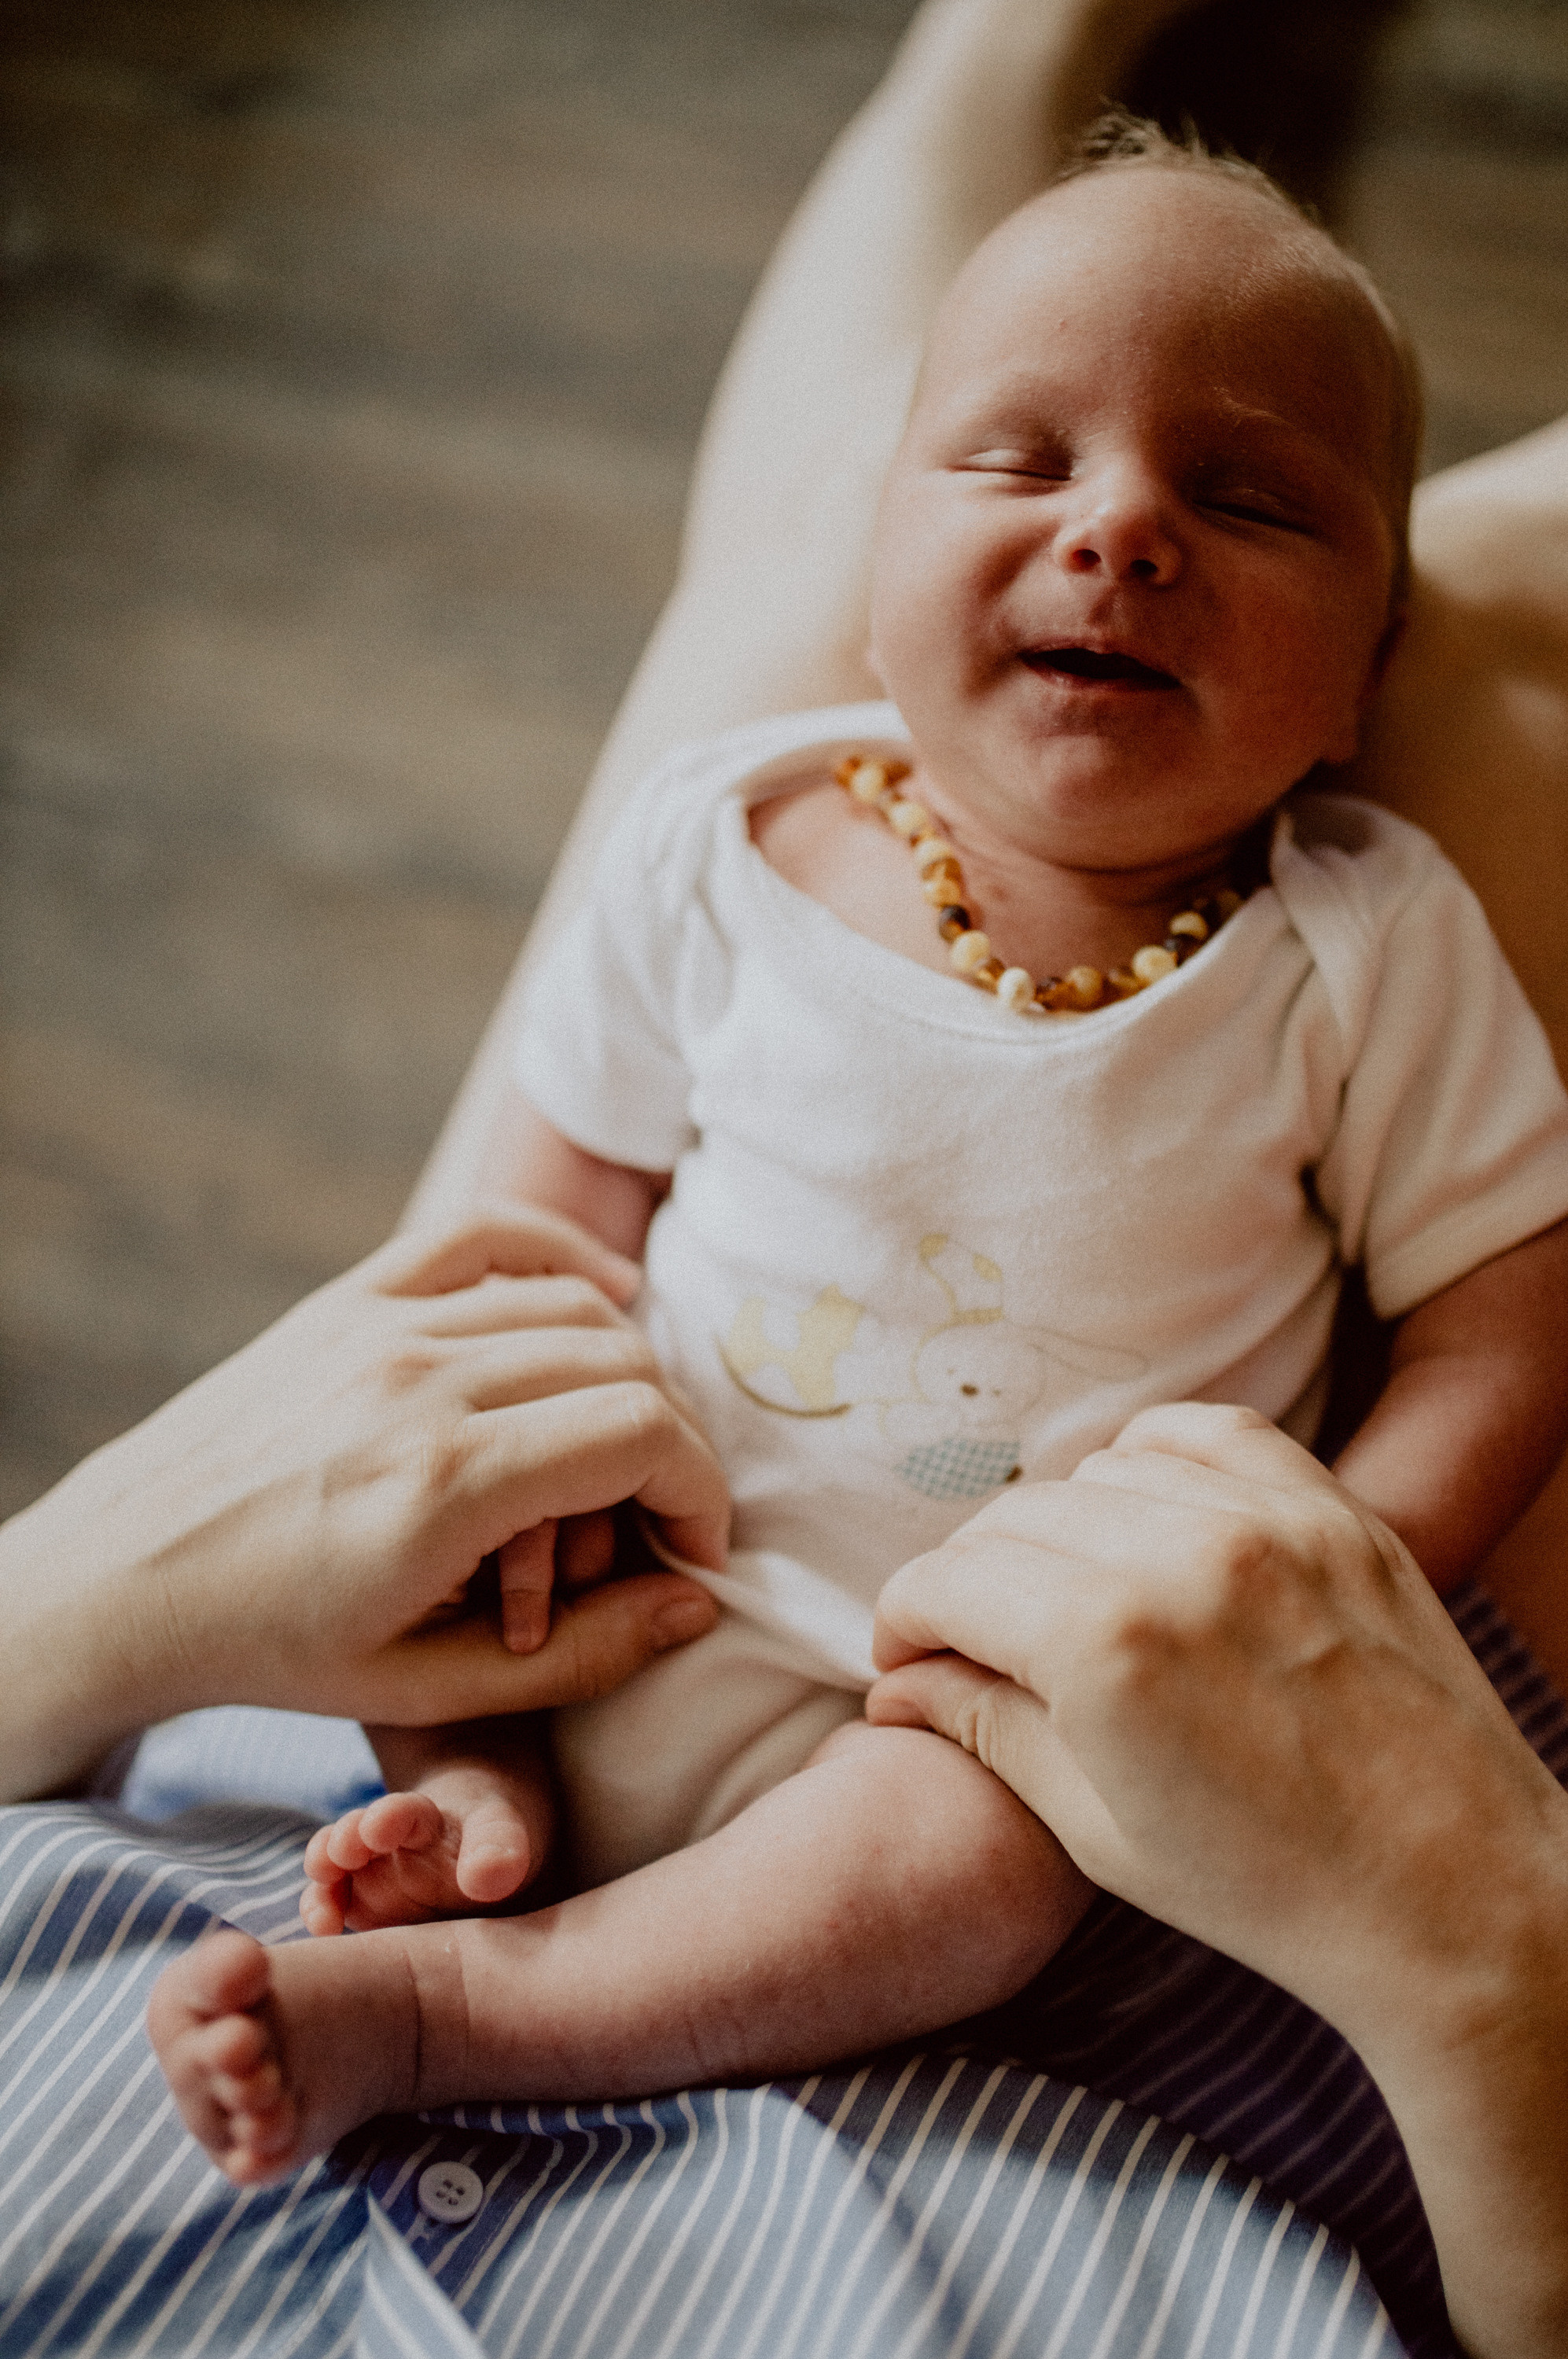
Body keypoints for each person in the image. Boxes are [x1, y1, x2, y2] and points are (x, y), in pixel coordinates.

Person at [6, 0, 1568, 2350]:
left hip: (971, 1703)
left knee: (963, 1866)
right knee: (431, 1613)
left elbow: (1499, 1308)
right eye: (1012, 464)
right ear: (875, 591)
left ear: (1352, 683)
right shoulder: (743, 843)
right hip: (615, 1559)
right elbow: (522, 1230)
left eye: (1243, 502)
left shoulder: (1351, 943)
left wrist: (1350, 1552)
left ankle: (444, 2005)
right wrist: (480, 1579)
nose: (1118, 522)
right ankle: (478, 1840)